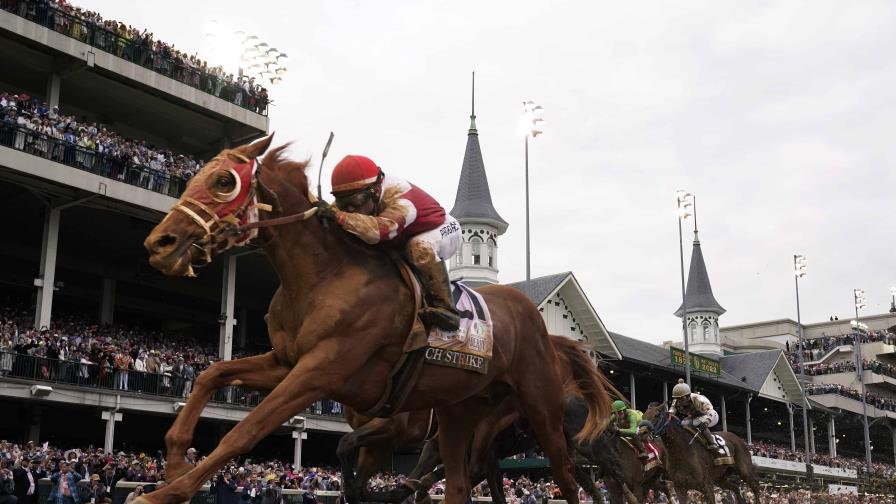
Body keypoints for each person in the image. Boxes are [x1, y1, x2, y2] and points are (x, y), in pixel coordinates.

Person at [319, 155, 462, 331]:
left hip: (443, 229)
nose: (350, 209)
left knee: (419, 246)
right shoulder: (363, 193)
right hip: (403, 235)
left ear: (376, 191)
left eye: (354, 203)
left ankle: (447, 310)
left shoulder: (401, 196)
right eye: (343, 203)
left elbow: (380, 231)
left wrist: (338, 216)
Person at [669, 379, 723, 455]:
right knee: (683, 423)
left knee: (698, 422)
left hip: (710, 416)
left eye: (682, 398)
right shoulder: (676, 400)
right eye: (678, 398)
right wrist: (669, 415)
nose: (680, 401)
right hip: (695, 417)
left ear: (687, 396)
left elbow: (711, 411)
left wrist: (707, 421)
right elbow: (672, 410)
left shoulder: (698, 399)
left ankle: (712, 443)